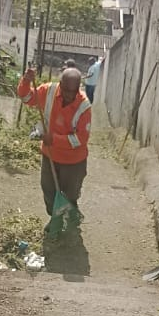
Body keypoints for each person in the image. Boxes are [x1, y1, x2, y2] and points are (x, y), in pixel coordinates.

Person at [17, 66, 92, 227]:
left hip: (74, 162)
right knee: (49, 191)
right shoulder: (49, 91)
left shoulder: (84, 106)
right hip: (50, 155)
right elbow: (26, 97)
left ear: (78, 89)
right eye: (65, 90)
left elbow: (81, 139)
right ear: (60, 84)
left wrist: (55, 139)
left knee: (70, 194)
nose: (67, 95)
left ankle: (70, 216)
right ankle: (55, 217)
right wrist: (26, 80)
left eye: (72, 92)